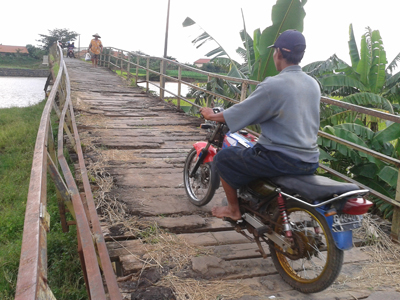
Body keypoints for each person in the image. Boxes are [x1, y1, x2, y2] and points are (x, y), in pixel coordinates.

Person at [199, 30, 321, 221]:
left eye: (274, 52)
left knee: (224, 158)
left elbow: (243, 111)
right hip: (310, 160)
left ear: (279, 53)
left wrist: (212, 115)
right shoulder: (313, 84)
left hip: (280, 159)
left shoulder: (273, 84)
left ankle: (233, 210)